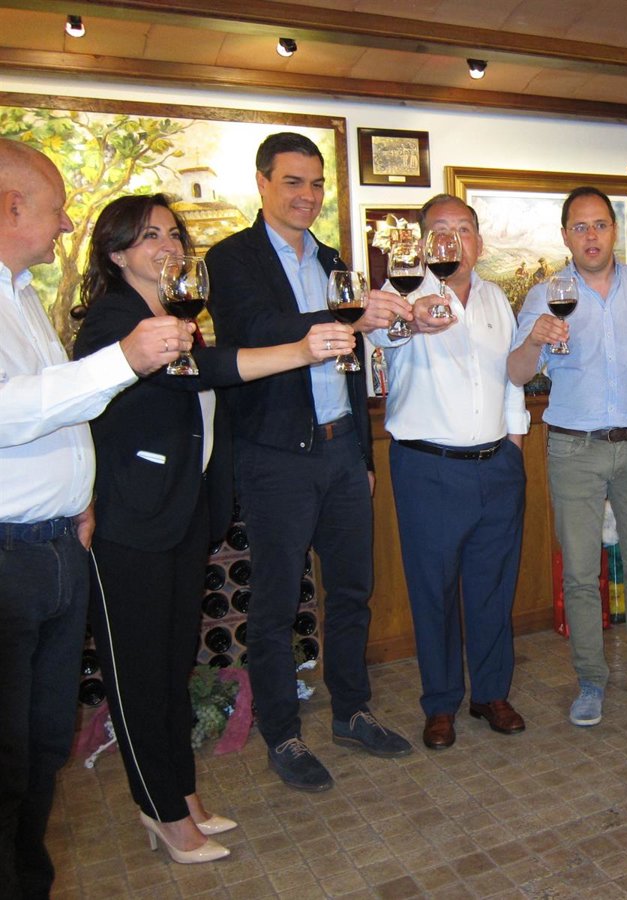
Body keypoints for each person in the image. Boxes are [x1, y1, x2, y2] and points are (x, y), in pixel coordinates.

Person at [72, 194, 354, 862]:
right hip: (131, 524)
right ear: (117, 252)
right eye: (150, 237)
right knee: (140, 677)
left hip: (179, 515)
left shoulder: (172, 317)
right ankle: (162, 812)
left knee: (174, 665)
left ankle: (182, 794)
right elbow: (205, 372)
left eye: (173, 234)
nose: (168, 246)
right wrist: (299, 350)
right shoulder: (115, 319)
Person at [0, 140, 191, 897]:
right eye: (56, 208)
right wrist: (124, 360)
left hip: (56, 545)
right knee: (6, 758)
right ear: (12, 205)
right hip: (9, 556)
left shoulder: (22, 297)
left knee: (42, 748)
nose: (65, 222)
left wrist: (79, 493)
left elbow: (60, 410)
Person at [206, 132, 413, 792]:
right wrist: (347, 314)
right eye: (293, 181)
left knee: (352, 591)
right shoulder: (230, 258)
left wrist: (360, 453)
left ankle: (351, 711)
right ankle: (283, 733)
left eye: (317, 183)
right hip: (275, 457)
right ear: (262, 183)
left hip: (341, 449)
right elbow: (258, 328)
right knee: (274, 605)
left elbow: (350, 362)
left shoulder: (332, 259)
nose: (308, 195)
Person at [508, 186, 627, 726]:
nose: (591, 236)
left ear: (615, 230)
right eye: (580, 227)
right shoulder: (546, 295)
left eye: (600, 225)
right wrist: (535, 340)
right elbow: (516, 373)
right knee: (580, 572)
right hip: (573, 448)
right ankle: (590, 680)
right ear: (566, 236)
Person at [369, 194, 529, 750]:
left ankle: (491, 693)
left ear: (478, 242)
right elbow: (378, 336)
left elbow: (510, 378)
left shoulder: (495, 299)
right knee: (433, 593)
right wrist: (409, 323)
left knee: (492, 588)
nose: (453, 240)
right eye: (440, 229)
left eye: (464, 229)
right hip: (428, 468)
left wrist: (513, 447)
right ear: (421, 242)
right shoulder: (401, 293)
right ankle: (440, 703)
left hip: (497, 466)